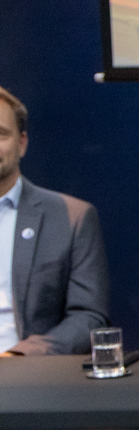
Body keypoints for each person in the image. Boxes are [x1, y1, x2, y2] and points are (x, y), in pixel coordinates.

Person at [0, 85, 110, 357]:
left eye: (0, 134)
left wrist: (19, 356)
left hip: (26, 372)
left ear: (22, 143)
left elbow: (88, 318)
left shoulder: (72, 217)